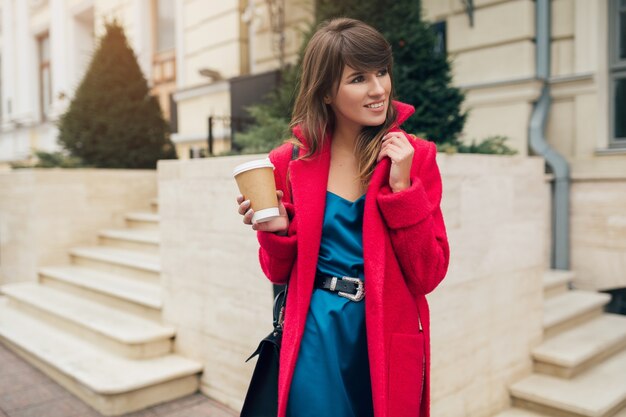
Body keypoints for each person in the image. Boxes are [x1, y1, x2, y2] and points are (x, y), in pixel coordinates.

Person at [236, 17, 449, 417]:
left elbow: (428, 274)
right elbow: (276, 272)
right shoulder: (290, 161)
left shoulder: (414, 156)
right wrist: (274, 232)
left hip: (386, 333)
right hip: (317, 330)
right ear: (327, 92)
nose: (378, 89)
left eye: (382, 72)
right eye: (358, 79)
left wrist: (403, 190)